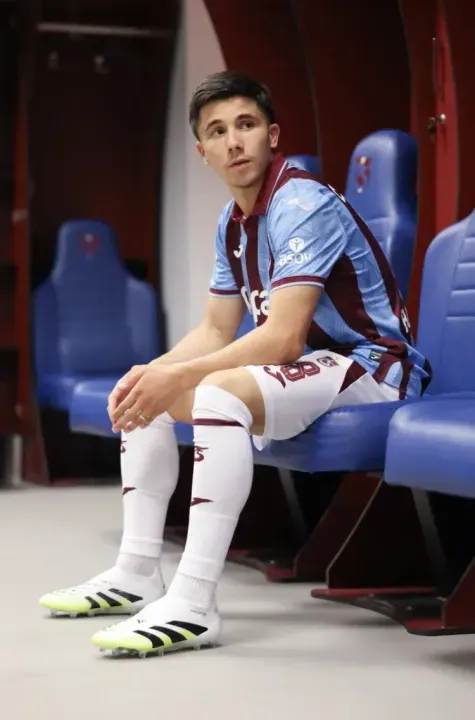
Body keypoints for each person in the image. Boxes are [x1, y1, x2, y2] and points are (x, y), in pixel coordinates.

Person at [39, 70, 431, 657]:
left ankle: (195, 602)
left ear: (272, 136)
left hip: (375, 369)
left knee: (215, 392)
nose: (234, 141)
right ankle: (137, 571)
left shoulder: (301, 202)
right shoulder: (233, 223)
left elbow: (284, 339)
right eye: (217, 131)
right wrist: (153, 373)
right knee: (146, 391)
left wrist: (179, 376)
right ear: (203, 151)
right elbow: (215, 329)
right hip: (318, 369)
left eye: (246, 125)